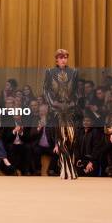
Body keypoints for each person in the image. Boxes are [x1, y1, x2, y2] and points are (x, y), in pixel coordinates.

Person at [43, 49, 79, 180]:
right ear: (56, 59)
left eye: (65, 57)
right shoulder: (50, 72)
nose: (63, 59)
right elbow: (46, 89)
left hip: (70, 110)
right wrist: (53, 103)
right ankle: (67, 170)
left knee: (71, 139)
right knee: (62, 139)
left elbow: (76, 91)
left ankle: (70, 167)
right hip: (57, 111)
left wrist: (73, 103)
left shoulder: (74, 72)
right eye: (61, 57)